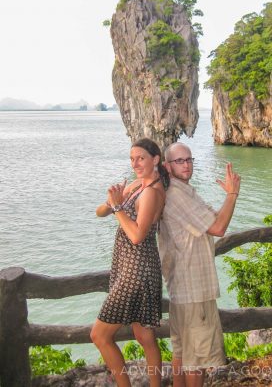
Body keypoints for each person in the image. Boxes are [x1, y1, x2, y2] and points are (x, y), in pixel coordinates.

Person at [159, 142, 241, 387]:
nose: (186, 165)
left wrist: (226, 200)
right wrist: (232, 194)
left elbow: (212, 218)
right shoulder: (175, 194)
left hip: (183, 288)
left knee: (182, 352)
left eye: (189, 159)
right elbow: (218, 227)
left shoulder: (183, 191)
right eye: (179, 161)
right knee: (198, 360)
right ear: (167, 165)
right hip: (193, 288)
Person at [90, 138, 169, 387]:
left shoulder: (151, 193)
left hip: (137, 271)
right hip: (132, 267)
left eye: (141, 158)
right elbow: (99, 212)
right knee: (144, 335)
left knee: (99, 336)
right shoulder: (137, 185)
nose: (135, 163)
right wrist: (111, 201)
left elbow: (136, 236)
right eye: (132, 158)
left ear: (155, 159)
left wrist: (117, 207)